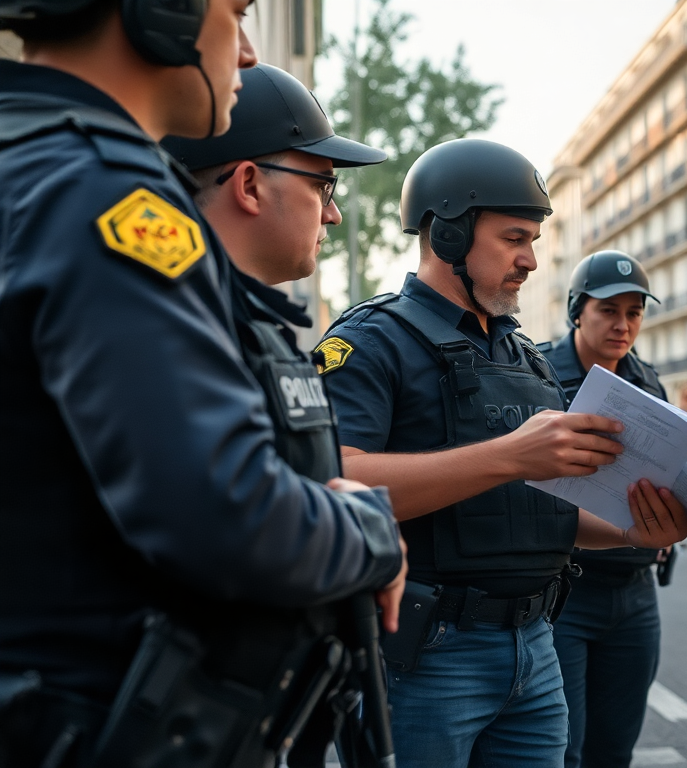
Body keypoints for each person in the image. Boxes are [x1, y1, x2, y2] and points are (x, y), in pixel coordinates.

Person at [0, 3, 406, 767]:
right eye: (237, 11)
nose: (247, 51)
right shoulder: (108, 196)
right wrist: (370, 532)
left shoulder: (27, 161)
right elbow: (226, 511)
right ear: (162, 9)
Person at [317, 139, 687, 768]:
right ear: (452, 235)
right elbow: (331, 482)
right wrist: (511, 456)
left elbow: (545, 515)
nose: (532, 261)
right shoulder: (371, 342)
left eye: (535, 241)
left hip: (537, 647)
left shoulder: (524, 356)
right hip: (427, 657)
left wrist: (639, 526)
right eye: (515, 239)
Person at [160, 62, 402, 766]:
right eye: (322, 184)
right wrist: (370, 529)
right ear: (248, 183)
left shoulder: (260, 332)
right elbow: (225, 518)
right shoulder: (176, 327)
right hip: (191, 717)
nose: (332, 212)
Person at [535, 250, 668, 768]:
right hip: (569, 588)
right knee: (563, 746)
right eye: (608, 310)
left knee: (615, 747)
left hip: (637, 593)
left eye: (634, 312)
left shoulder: (649, 381)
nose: (623, 324)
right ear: (577, 311)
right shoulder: (540, 373)